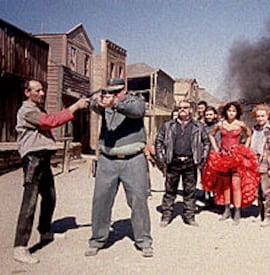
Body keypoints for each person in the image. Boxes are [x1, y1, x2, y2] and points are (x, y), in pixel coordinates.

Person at [13, 79, 90, 264]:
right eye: (37, 91)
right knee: (29, 202)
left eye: (42, 90)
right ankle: (20, 247)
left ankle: (45, 232)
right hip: (33, 159)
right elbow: (50, 122)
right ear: (27, 92)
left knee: (49, 197)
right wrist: (75, 107)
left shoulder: (37, 109)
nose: (42, 93)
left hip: (42, 158)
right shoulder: (28, 110)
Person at [85, 78, 153, 257]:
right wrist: (98, 101)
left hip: (134, 159)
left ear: (125, 89)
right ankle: (97, 239)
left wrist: (115, 103)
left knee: (138, 200)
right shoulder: (105, 103)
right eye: (110, 92)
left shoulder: (135, 100)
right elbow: (93, 105)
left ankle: (143, 240)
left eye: (117, 92)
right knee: (101, 200)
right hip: (108, 160)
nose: (113, 95)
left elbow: (137, 111)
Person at [202, 101, 260, 225]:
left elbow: (249, 135)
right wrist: (216, 149)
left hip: (236, 158)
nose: (231, 113)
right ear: (225, 112)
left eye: (233, 111)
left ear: (237, 112)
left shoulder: (241, 124)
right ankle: (227, 209)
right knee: (225, 185)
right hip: (223, 157)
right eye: (229, 111)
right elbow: (211, 135)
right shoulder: (220, 124)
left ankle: (237, 211)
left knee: (236, 184)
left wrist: (244, 148)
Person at [155, 99, 210, 227]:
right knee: (170, 190)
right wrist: (161, 158)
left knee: (190, 191)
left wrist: (203, 158)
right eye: (180, 108)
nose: (182, 110)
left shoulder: (198, 126)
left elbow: (206, 142)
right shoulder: (168, 125)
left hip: (190, 162)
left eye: (185, 107)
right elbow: (158, 141)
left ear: (191, 110)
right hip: (173, 162)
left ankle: (189, 216)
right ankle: (166, 215)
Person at [250, 104, 270, 227]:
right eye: (258, 116)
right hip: (255, 162)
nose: (260, 118)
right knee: (258, 192)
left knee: (267, 192)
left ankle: (268, 216)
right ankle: (261, 214)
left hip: (266, 163)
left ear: (268, 116)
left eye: (262, 116)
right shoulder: (255, 129)